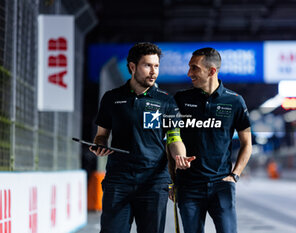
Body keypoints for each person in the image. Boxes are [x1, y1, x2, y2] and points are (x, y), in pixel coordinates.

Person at [90, 42, 189, 233]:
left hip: (154, 182)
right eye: (148, 65)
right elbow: (101, 135)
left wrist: (180, 157)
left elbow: (174, 138)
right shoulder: (111, 98)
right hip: (118, 181)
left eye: (157, 66)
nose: (154, 71)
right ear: (132, 67)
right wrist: (99, 145)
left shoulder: (166, 100)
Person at [173, 47, 252, 233]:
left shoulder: (235, 101)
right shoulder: (180, 99)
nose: (189, 73)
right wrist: (171, 180)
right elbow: (171, 138)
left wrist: (235, 175)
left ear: (212, 71)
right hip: (188, 186)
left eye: (194, 68)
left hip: (221, 186)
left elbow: (247, 143)